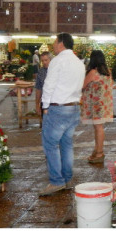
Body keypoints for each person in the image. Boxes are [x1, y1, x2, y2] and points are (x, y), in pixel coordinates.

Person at [39, 32, 85, 197]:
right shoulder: (79, 63)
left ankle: (56, 181)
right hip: (73, 107)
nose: (53, 46)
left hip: (58, 108)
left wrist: (44, 107)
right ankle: (67, 179)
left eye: (54, 42)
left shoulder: (57, 61)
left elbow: (49, 85)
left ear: (61, 44)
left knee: (50, 144)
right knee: (67, 145)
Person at [81, 49, 114, 164]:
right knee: (98, 127)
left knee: (98, 128)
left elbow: (83, 85)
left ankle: (99, 152)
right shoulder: (108, 72)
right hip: (104, 105)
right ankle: (96, 150)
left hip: (96, 105)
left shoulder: (93, 72)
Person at [34, 51, 51, 117]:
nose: (44, 62)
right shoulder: (40, 72)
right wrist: (37, 105)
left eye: (46, 60)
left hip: (56, 103)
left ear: (51, 59)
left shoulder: (57, 70)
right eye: (42, 61)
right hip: (44, 103)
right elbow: (38, 89)